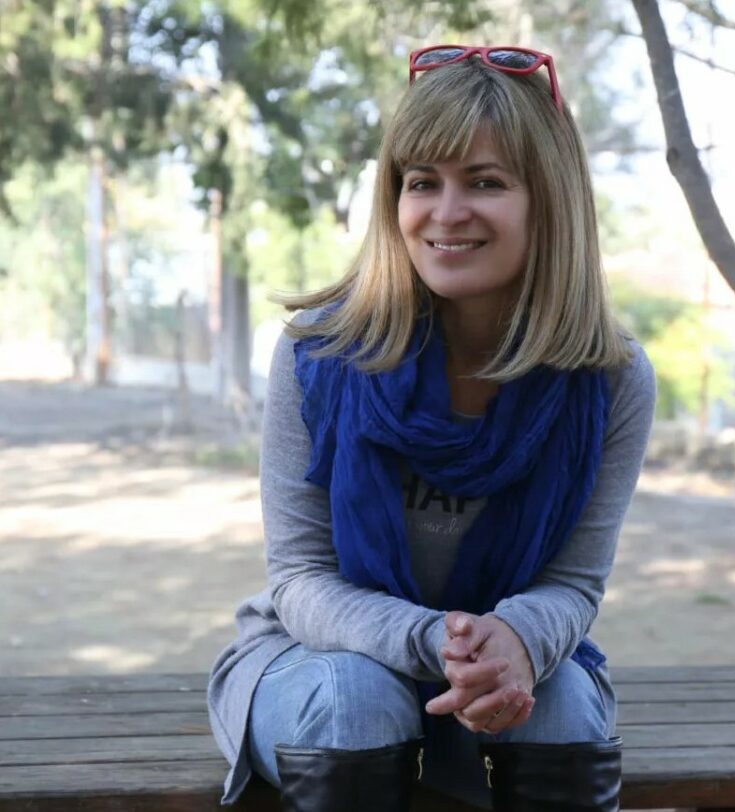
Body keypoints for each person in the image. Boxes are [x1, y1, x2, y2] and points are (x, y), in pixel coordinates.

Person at [207, 44, 656, 812]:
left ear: (549, 200)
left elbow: (573, 582)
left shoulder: (608, 380)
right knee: (357, 702)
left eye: (485, 182)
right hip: (321, 658)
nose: (446, 213)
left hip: (504, 667)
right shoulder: (318, 355)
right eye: (422, 182)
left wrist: (515, 642)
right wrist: (435, 641)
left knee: (564, 711)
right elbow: (301, 580)